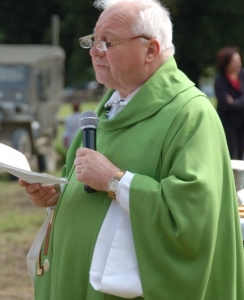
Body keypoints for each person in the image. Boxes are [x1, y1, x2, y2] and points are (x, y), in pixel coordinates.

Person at [19, 0, 244, 299]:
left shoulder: (190, 114)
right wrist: (57, 196)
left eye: (108, 42)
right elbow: (89, 184)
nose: (95, 51)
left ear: (150, 50)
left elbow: (193, 216)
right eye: (93, 40)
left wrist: (114, 179)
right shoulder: (106, 108)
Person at [214, 46, 244, 159]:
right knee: (232, 154)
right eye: (234, 61)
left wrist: (234, 102)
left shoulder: (242, 75)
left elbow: (231, 103)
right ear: (226, 63)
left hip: (242, 122)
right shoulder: (220, 80)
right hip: (228, 124)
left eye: (239, 61)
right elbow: (226, 105)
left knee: (241, 155)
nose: (238, 64)